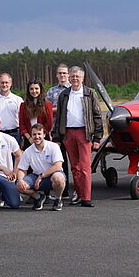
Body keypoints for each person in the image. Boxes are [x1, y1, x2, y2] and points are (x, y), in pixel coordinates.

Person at [52, 66, 103, 207]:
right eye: (72, 76)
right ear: (69, 77)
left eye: (77, 76)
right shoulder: (64, 95)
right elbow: (59, 117)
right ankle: (79, 195)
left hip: (84, 133)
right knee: (75, 167)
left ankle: (86, 197)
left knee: (85, 166)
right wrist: (56, 137)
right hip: (68, 133)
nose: (74, 79)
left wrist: (97, 138)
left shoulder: (89, 93)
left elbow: (97, 115)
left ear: (82, 78)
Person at [17, 124, 66, 211]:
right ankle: (38, 197)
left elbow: (58, 166)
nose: (37, 137)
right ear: (31, 136)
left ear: (44, 135)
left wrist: (41, 176)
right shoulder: (28, 151)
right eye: (34, 134)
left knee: (58, 178)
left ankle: (58, 199)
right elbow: (22, 169)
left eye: (39, 134)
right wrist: (20, 180)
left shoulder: (53, 146)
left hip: (52, 175)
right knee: (19, 186)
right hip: (36, 177)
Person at [46, 64, 71, 198]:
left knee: (74, 162)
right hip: (56, 131)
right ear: (56, 75)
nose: (62, 75)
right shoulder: (51, 91)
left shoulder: (73, 89)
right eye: (60, 73)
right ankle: (62, 190)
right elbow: (47, 110)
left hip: (71, 129)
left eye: (64, 73)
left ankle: (79, 191)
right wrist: (59, 110)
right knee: (59, 161)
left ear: (68, 74)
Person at [0, 73, 23, 144]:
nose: (4, 85)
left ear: (11, 83)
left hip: (15, 134)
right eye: (2, 83)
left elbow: (23, 119)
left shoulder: (18, 100)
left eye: (6, 82)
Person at [19, 79, 53, 150]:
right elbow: (22, 124)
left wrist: (40, 136)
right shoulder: (23, 105)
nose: (34, 91)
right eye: (31, 89)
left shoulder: (47, 105)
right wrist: (30, 138)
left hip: (43, 138)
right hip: (29, 140)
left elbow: (49, 123)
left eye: (36, 88)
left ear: (40, 89)